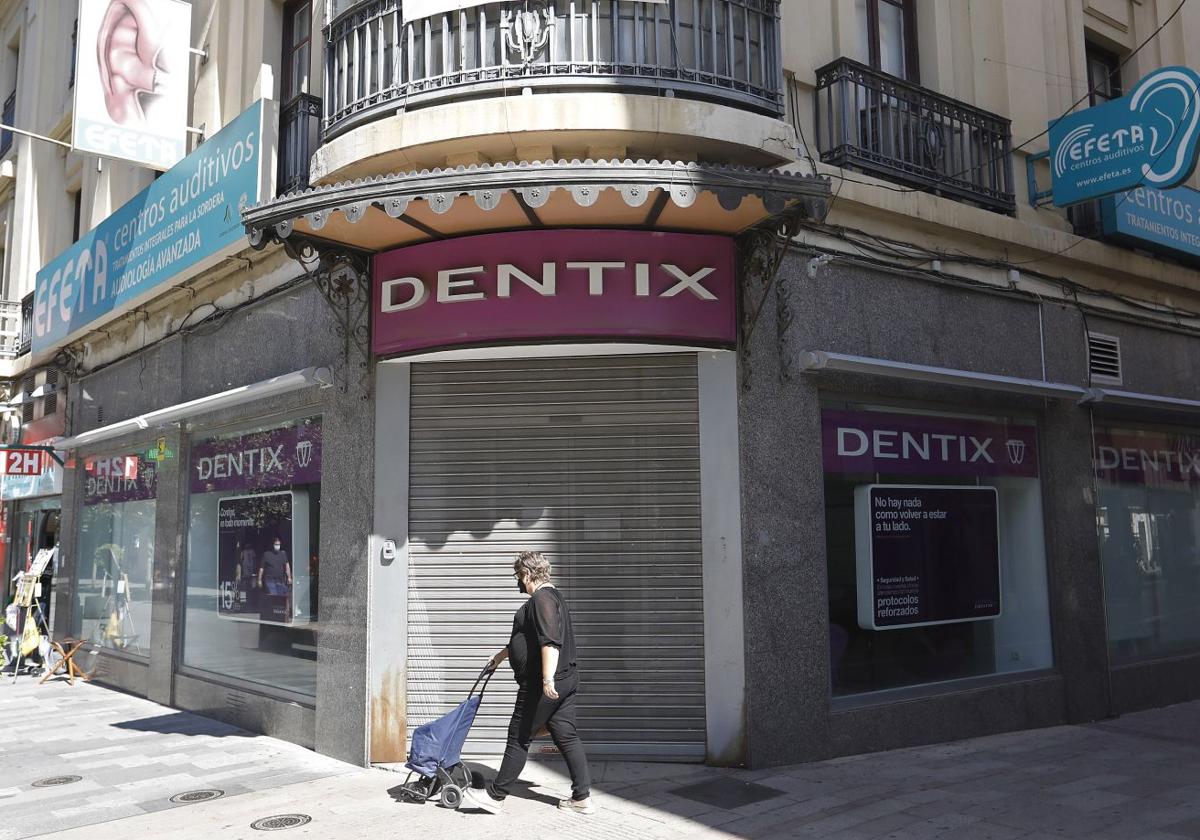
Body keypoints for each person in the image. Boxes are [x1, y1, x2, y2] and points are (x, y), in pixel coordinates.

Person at [462, 551, 594, 816]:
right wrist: (499, 658)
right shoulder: (553, 597)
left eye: (518, 576)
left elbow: (550, 641)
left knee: (519, 737)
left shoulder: (542, 598)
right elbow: (525, 640)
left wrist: (547, 678)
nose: (518, 583)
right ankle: (581, 797)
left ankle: (496, 796)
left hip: (543, 684)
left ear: (527, 574)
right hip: (566, 679)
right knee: (566, 735)